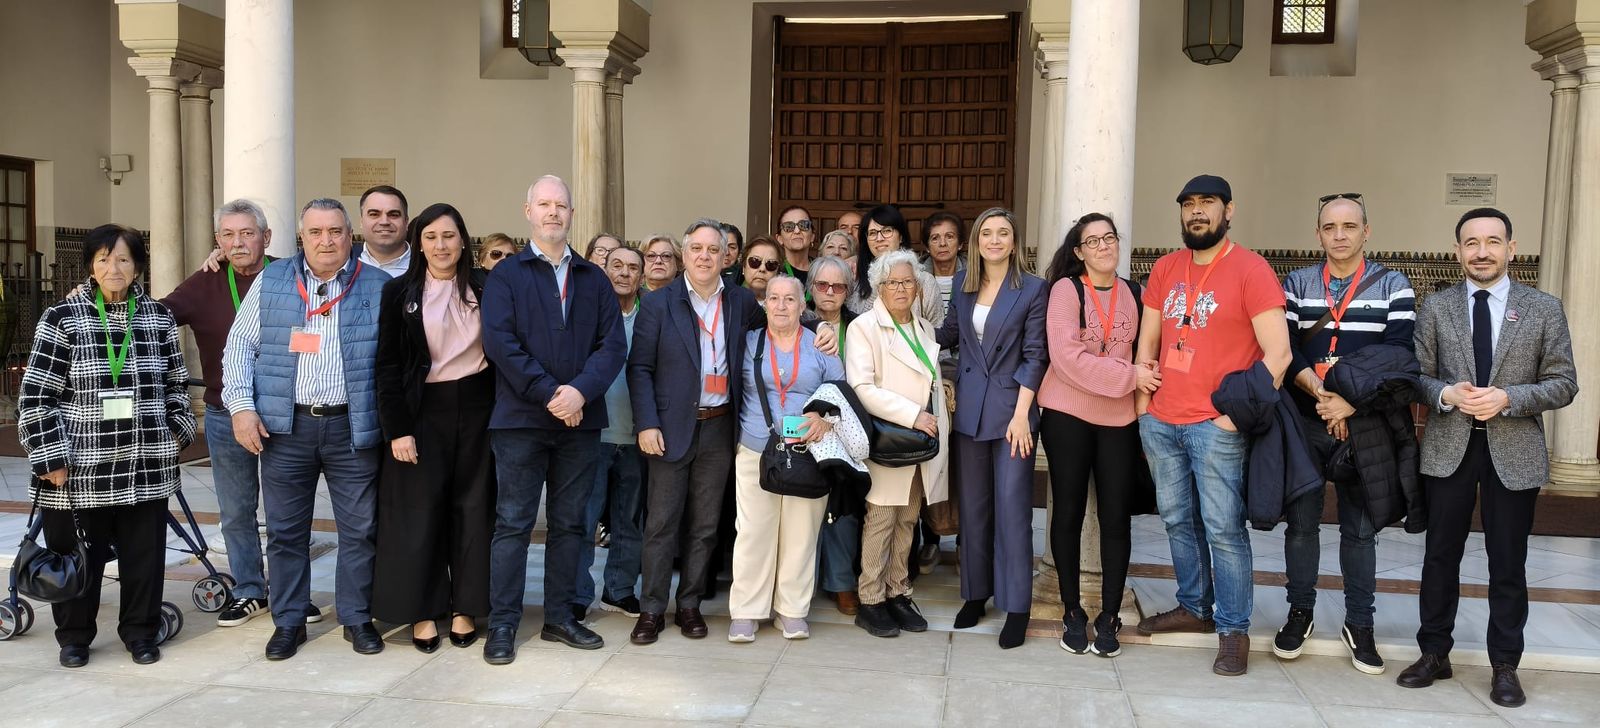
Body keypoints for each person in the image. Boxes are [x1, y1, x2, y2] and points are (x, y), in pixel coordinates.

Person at [1398, 207, 1577, 708]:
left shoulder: (1543, 308)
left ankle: (1504, 664)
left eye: (1492, 241)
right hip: (1449, 447)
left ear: (1510, 249)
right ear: (1458, 251)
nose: (1482, 251)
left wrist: (1509, 398)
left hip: (1513, 450)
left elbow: (1564, 382)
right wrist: (1447, 394)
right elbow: (1416, 374)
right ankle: (1434, 652)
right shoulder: (1435, 307)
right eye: (1471, 242)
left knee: (1508, 562)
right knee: (1439, 557)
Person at [1133, 175, 1291, 677]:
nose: (1197, 213)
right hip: (1162, 420)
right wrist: (1143, 407)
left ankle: (1233, 629)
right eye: (1189, 205)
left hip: (1216, 426)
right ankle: (1194, 607)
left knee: (1224, 529)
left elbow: (1279, 355)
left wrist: (1232, 418)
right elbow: (1148, 341)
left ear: (1229, 211)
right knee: (1178, 520)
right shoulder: (1165, 267)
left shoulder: (1251, 269)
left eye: (1208, 204)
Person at [19, 225, 197, 669]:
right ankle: (75, 636)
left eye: (122, 259)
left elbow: (177, 383)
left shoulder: (157, 317)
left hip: (145, 465)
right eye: (102, 259)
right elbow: (37, 395)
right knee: (79, 557)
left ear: (137, 266)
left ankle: (140, 632)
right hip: (80, 468)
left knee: (145, 558)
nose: (112, 268)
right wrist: (49, 458)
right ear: (90, 266)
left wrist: (176, 431)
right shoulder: (62, 318)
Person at [222, 198, 391, 661]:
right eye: (316, 232)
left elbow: (396, 364)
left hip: (352, 429)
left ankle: (356, 618)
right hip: (286, 428)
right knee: (285, 531)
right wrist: (241, 408)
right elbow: (239, 348)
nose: (326, 240)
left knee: (359, 530)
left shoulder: (377, 285)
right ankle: (289, 620)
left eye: (335, 231)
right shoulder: (272, 281)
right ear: (302, 237)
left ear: (350, 236)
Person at [480, 175, 626, 663]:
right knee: (513, 523)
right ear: (528, 211)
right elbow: (500, 343)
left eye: (560, 205)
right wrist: (550, 394)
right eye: (544, 204)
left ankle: (561, 617)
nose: (552, 212)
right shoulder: (507, 276)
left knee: (571, 525)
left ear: (570, 213)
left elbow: (612, 346)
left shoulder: (593, 278)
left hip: (579, 424)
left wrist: (579, 392)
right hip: (520, 421)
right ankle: (503, 623)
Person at [1275, 194, 1418, 674]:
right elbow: (1285, 348)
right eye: (1330, 227)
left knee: (1360, 529)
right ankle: (1300, 612)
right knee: (1302, 524)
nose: (1340, 235)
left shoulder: (1393, 285)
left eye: (1349, 226)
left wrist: (1350, 404)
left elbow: (1399, 357)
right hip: (1305, 421)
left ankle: (1360, 622)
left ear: (1366, 231)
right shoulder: (1295, 283)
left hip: (1365, 424)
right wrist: (1321, 394)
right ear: (1317, 234)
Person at [161, 200, 305, 628]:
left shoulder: (290, 273)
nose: (238, 242)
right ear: (218, 241)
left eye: (247, 233)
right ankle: (248, 590)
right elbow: (154, 317)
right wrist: (94, 296)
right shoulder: (204, 282)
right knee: (236, 510)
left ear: (266, 237)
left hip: (285, 414)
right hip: (226, 415)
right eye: (229, 235)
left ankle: (290, 593)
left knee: (286, 512)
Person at [627, 219, 761, 645]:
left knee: (705, 525)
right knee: (661, 523)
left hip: (720, 427)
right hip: (668, 428)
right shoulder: (658, 303)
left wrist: (823, 335)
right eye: (696, 249)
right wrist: (646, 422)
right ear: (684, 255)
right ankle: (651, 609)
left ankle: (689, 605)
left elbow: (780, 333)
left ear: (726, 257)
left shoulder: (741, 302)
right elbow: (640, 368)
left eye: (713, 250)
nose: (704, 257)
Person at [371, 203, 496, 653]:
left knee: (472, 509)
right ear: (418, 243)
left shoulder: (487, 287)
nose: (441, 246)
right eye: (431, 237)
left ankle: (465, 607)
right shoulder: (398, 293)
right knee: (418, 515)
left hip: (479, 408)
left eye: (449, 236)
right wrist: (397, 429)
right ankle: (422, 611)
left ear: (464, 240)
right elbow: (386, 367)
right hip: (422, 411)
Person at [1039, 213, 1157, 658]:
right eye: (1094, 240)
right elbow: (1066, 358)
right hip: (1067, 413)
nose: (1104, 246)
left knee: (1115, 518)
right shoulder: (1066, 291)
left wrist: (1135, 378)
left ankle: (1109, 615)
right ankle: (1072, 610)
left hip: (1118, 420)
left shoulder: (1133, 292)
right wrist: (1129, 376)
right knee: (1067, 512)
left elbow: (1148, 353)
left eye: (1110, 237)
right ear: (1079, 251)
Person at [936, 208, 1047, 649]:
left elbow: (1036, 355)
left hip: (1012, 413)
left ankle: (1017, 606)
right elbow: (945, 336)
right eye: (987, 233)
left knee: (1013, 509)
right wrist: (892, 325)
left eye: (1004, 233)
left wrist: (1023, 415)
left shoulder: (1034, 289)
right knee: (975, 509)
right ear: (976, 241)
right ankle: (975, 593)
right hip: (969, 410)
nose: (995, 240)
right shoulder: (964, 288)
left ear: (1015, 242)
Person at [727, 275, 844, 642]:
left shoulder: (820, 346)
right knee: (752, 531)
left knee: (801, 533)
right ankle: (747, 610)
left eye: (789, 299)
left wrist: (823, 417)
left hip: (808, 451)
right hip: (756, 447)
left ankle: (792, 611)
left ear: (802, 305)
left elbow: (841, 394)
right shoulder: (747, 343)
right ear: (764, 304)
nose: (780, 305)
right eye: (773, 298)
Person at [844, 249, 950, 638]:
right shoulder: (865, 328)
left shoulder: (923, 327)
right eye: (893, 283)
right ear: (879, 288)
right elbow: (862, 388)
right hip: (892, 438)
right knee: (881, 519)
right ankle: (870, 598)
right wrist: (912, 414)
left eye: (909, 281)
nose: (902, 288)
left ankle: (897, 590)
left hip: (922, 441)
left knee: (908, 518)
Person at [575, 244, 648, 618]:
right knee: (584, 520)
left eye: (632, 267)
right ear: (603, 270)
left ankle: (619, 590)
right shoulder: (587, 314)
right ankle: (576, 594)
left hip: (636, 437)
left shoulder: (651, 316)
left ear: (642, 275)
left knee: (629, 521)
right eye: (616, 265)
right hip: (593, 434)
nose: (624, 273)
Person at [807, 255, 863, 614]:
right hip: (805, 427)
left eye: (838, 286)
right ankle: (803, 583)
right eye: (822, 285)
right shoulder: (795, 321)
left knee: (844, 506)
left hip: (849, 428)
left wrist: (836, 417)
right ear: (811, 288)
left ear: (848, 291)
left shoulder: (861, 327)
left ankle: (842, 581)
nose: (829, 292)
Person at [849, 204, 944, 325]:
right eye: (872, 233)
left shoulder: (924, 282)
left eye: (887, 231)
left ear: (901, 237)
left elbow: (937, 331)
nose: (879, 238)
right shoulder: (854, 278)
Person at [357, 185, 413, 277]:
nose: (384, 222)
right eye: (374, 214)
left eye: (393, 215)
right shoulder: (343, 265)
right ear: (361, 222)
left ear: (406, 222)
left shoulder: (429, 267)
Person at [923, 211, 965, 311]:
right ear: (927, 247)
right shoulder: (916, 278)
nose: (942, 243)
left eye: (949, 237)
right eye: (935, 238)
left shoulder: (974, 276)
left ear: (960, 244)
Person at [776, 205, 815, 287]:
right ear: (779, 238)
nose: (797, 231)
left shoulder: (821, 269)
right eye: (788, 227)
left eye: (804, 225)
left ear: (812, 236)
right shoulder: (772, 268)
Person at [742, 236, 783, 300]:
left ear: (778, 272)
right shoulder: (727, 301)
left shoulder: (787, 307)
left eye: (771, 264)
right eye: (755, 261)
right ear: (744, 267)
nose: (762, 269)